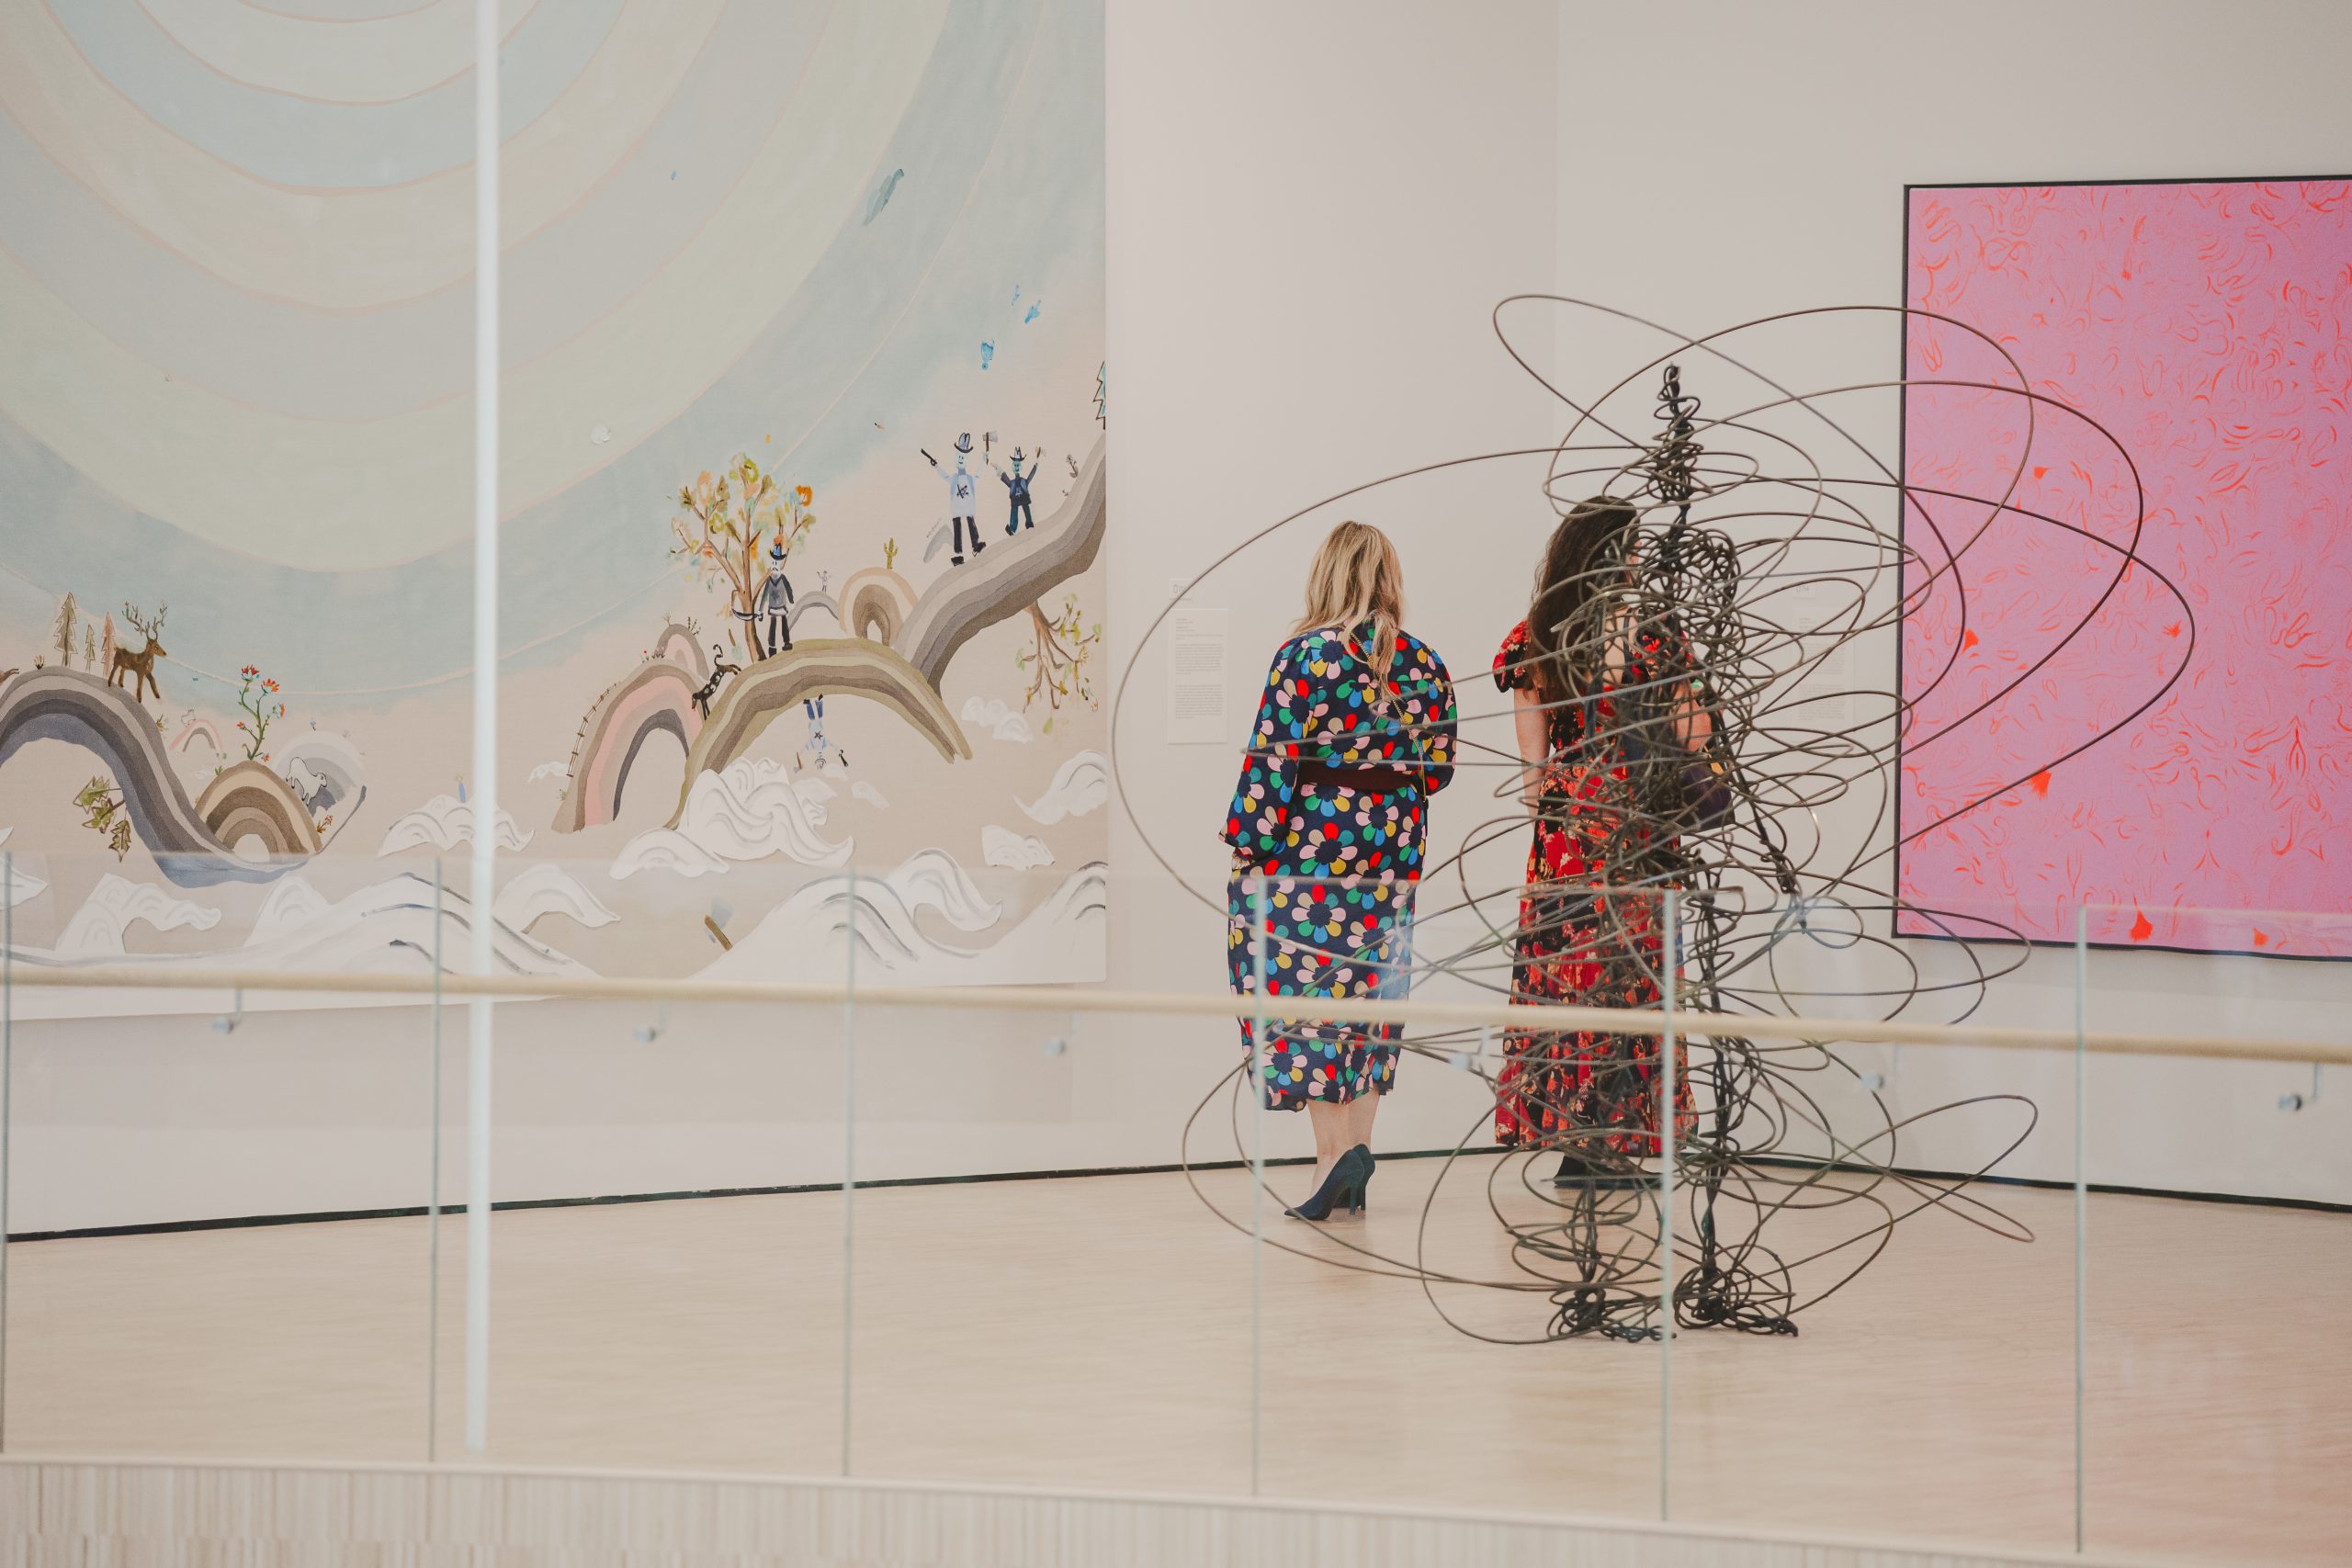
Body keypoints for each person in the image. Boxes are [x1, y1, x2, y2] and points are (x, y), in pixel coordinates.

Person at [1224, 521, 1456, 1221]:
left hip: (1312, 856)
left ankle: (1332, 1159)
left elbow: (1274, 758)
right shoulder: (1425, 662)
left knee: (1307, 993)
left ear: (1327, 574)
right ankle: (1357, 1150)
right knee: (1372, 999)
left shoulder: (1304, 657)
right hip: (1393, 856)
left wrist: (1247, 842)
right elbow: (1437, 771)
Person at [1492, 496, 1708, 1188]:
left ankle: (1575, 1142)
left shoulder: (1539, 634)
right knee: (1633, 980)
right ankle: (1621, 1138)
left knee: (1568, 982)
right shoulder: (1654, 633)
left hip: (1565, 835)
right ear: (1624, 555)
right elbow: (1695, 734)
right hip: (1636, 828)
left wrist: (1567, 803)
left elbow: (1531, 775)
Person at [925, 434, 986, 565]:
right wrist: (936, 467)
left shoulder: (970, 479)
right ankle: (958, 556)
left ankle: (975, 546)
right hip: (957, 509)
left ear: (966, 460)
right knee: (958, 531)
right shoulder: (953, 478)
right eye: (959, 456)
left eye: (963, 457)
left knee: (971, 527)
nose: (960, 459)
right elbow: (944, 476)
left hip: (968, 508)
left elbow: (979, 475)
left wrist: (983, 461)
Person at [752, 540, 795, 656]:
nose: (775, 565)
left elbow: (789, 589)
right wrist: (760, 610)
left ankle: (786, 643)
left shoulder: (783, 578)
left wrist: (792, 602)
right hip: (772, 608)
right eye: (774, 562)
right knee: (773, 626)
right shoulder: (769, 580)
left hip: (781, 606)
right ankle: (772, 648)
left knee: (784, 624)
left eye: (777, 562)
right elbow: (765, 595)